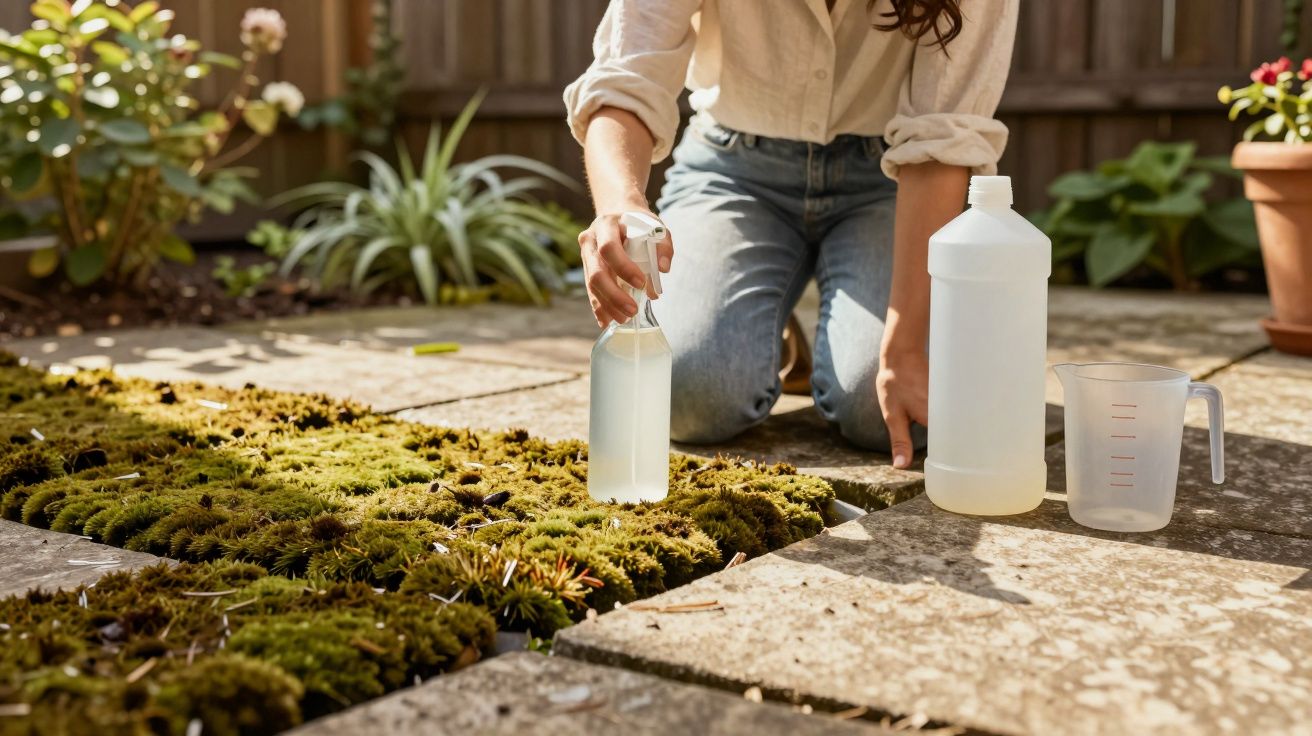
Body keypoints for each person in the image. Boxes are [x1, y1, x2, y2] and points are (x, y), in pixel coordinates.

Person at [564, 0, 1017, 469]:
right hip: (735, 168)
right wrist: (619, 202)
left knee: (882, 410)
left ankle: (800, 326)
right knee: (688, 396)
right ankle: (760, 324)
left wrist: (904, 348)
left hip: (893, 180)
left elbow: (942, 136)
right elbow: (627, 73)